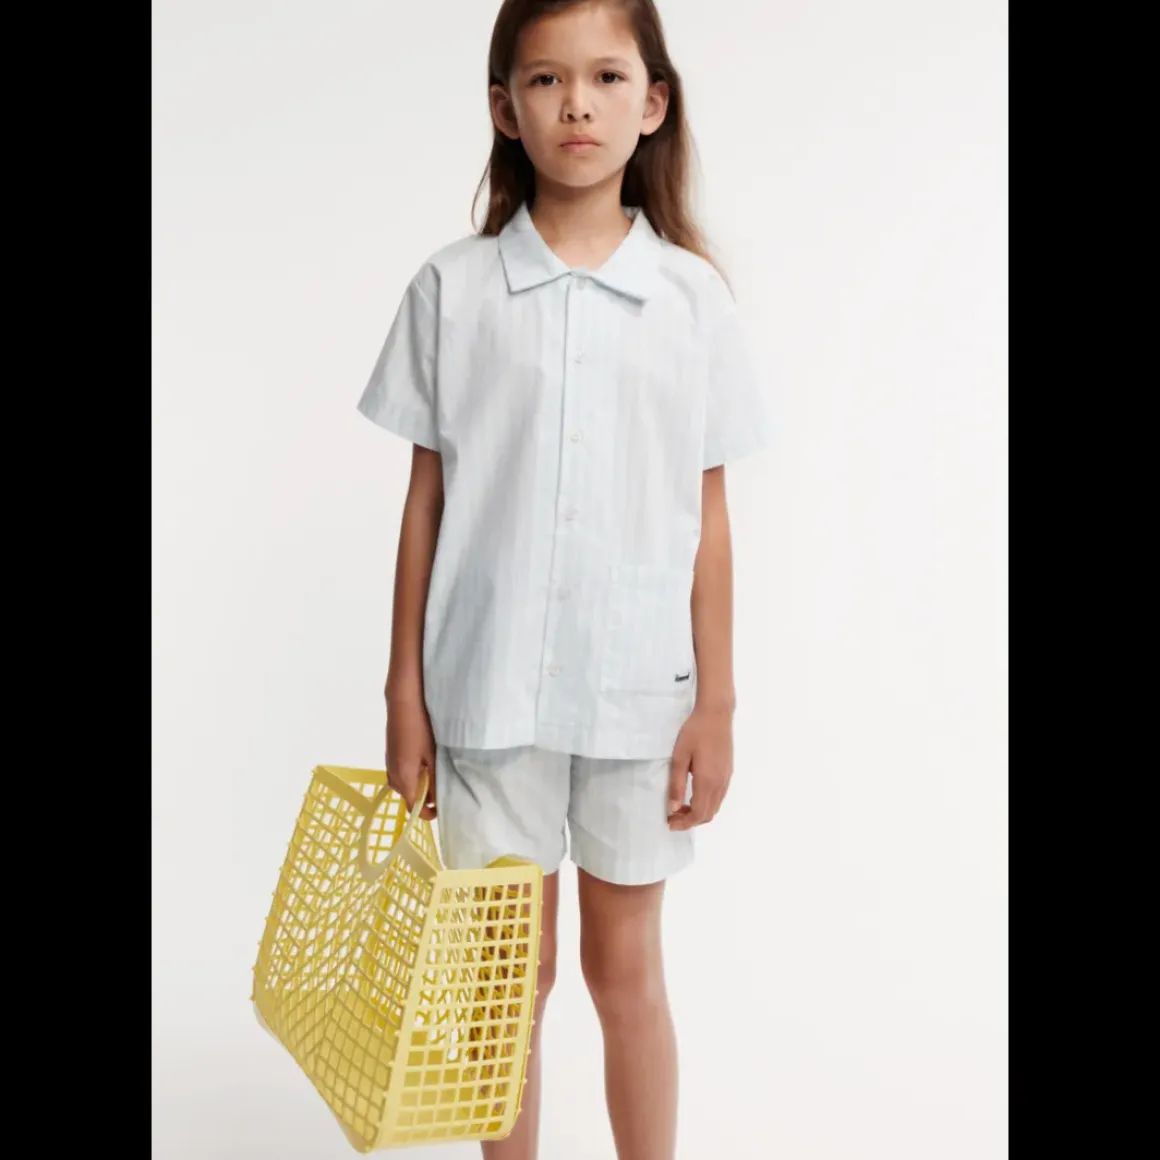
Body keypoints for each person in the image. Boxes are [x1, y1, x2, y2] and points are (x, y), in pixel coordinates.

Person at [357, 1, 769, 1156]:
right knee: (504, 981)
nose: (575, 103)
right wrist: (402, 690)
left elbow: (707, 521)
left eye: (604, 77)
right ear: (504, 108)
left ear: (652, 102)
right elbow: (425, 503)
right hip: (485, 693)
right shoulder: (453, 291)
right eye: (543, 80)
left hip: (640, 696)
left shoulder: (692, 301)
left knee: (623, 968)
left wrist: (717, 703)